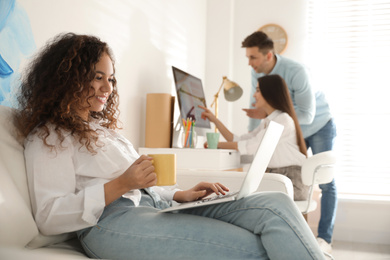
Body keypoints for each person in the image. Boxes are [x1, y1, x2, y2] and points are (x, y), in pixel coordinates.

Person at [15, 32, 325, 260]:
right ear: (68, 77)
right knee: (255, 248)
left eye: (111, 79)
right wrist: (121, 183)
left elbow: (143, 189)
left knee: (276, 205)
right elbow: (48, 215)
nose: (108, 88)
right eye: (98, 77)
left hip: (155, 208)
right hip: (109, 225)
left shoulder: (103, 131)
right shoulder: (50, 135)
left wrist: (179, 194)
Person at [241, 31, 337, 255]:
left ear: (268, 55)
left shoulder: (296, 71)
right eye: (248, 57)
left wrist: (278, 120)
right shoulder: (257, 74)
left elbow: (307, 114)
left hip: (318, 124)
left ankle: (324, 238)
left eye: (253, 57)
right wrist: (254, 139)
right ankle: (297, 236)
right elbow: (256, 114)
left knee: (324, 181)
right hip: (291, 125)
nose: (249, 63)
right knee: (295, 178)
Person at [199, 75, 309, 201]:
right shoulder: (268, 121)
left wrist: (216, 144)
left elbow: (251, 146)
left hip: (292, 181)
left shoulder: (282, 120)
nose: (254, 95)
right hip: (279, 177)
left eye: (257, 90)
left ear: (269, 93)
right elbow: (239, 140)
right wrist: (214, 120)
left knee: (245, 198)